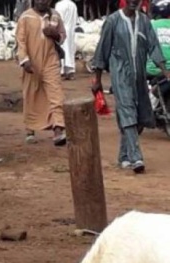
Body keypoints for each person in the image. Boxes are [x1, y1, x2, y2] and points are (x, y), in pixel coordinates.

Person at [93, 0, 168, 174]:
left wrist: (165, 71)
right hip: (120, 74)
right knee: (127, 111)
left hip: (140, 76)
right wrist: (96, 78)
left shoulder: (144, 21)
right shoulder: (113, 21)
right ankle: (136, 157)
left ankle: (124, 156)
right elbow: (102, 50)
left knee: (140, 116)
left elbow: (154, 46)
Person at [15, 0, 67, 146]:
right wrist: (24, 60)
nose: (42, 1)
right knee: (31, 93)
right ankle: (30, 129)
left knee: (56, 93)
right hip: (31, 61)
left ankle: (58, 128)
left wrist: (55, 34)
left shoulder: (55, 16)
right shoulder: (25, 18)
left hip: (51, 60)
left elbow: (63, 36)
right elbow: (20, 41)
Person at [55, 0, 78, 80]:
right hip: (71, 29)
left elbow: (58, 18)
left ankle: (61, 70)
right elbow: (76, 19)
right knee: (70, 49)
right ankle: (70, 70)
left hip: (63, 29)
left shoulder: (59, 4)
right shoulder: (73, 5)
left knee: (63, 49)